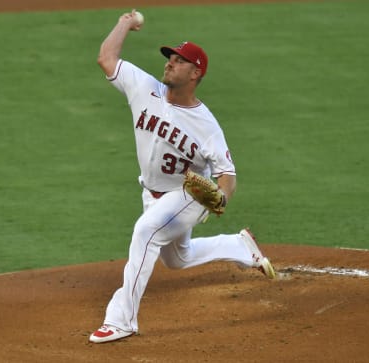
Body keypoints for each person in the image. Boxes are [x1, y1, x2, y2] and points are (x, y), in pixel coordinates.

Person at [89, 9, 275, 344]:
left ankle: (121, 320)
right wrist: (124, 23)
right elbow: (106, 57)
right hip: (152, 193)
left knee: (145, 232)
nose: (170, 62)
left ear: (195, 72)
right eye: (170, 57)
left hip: (189, 194)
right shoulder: (143, 88)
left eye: (179, 60)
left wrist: (221, 197)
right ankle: (239, 245)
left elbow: (227, 175)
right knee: (177, 258)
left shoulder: (206, 126)